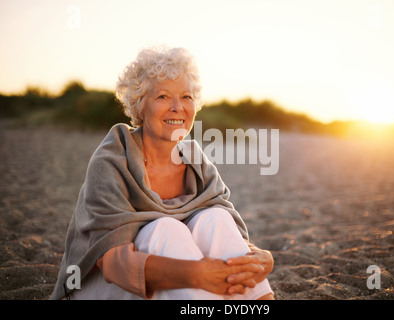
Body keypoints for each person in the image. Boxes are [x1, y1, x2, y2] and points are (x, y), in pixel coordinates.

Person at [50, 46, 274, 300]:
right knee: (167, 228)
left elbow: (230, 234)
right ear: (140, 106)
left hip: (175, 285)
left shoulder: (195, 161)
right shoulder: (112, 159)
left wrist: (260, 260)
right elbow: (112, 263)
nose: (177, 107)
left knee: (216, 218)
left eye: (186, 97)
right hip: (101, 286)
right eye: (163, 97)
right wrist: (196, 274)